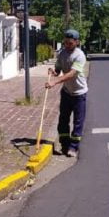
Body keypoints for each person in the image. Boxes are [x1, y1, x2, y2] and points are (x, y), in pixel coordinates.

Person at [45, 29, 88, 157]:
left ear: (77, 42)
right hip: (67, 92)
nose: (67, 45)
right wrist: (53, 72)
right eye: (66, 43)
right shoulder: (62, 53)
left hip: (79, 93)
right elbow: (58, 70)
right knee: (63, 119)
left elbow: (71, 74)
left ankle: (73, 147)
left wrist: (55, 82)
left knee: (78, 121)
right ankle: (65, 144)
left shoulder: (79, 55)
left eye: (70, 43)